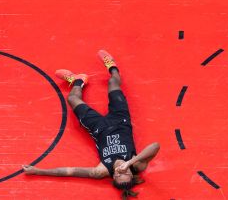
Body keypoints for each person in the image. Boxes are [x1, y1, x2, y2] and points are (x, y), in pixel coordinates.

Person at [22, 50, 160, 199]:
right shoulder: (136, 165)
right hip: (121, 120)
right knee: (113, 82)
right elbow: (155, 146)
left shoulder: (101, 171)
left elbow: (70, 171)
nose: (122, 171)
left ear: (113, 177)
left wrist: (38, 171)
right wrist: (130, 163)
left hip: (98, 126)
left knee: (72, 99)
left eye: (120, 175)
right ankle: (112, 66)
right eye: (126, 173)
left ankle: (78, 80)